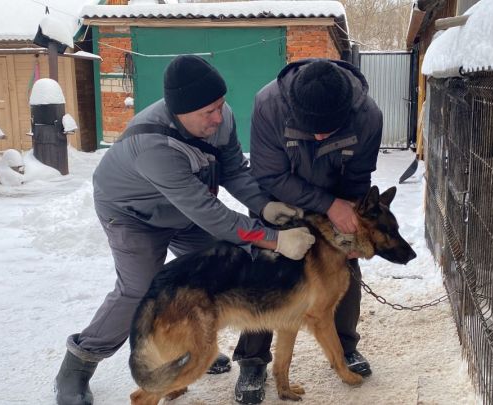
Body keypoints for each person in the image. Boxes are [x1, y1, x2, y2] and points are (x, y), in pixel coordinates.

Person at [54, 55, 315, 405]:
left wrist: (264, 204)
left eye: (220, 105)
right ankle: (79, 364)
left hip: (184, 208)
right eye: (208, 112)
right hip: (133, 216)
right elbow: (216, 217)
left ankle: (190, 346)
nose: (219, 117)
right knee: (139, 288)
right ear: (178, 111)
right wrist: (274, 238)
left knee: (220, 267)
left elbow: (234, 170)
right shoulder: (153, 146)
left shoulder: (219, 121)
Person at [232, 58, 384, 404]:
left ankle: (344, 349)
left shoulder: (368, 117)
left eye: (326, 131)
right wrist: (326, 205)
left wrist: (351, 230)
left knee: (342, 273)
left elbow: (358, 179)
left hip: (337, 200)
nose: (317, 136)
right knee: (265, 277)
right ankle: (253, 361)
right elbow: (269, 175)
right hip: (278, 201)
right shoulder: (269, 104)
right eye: (310, 128)